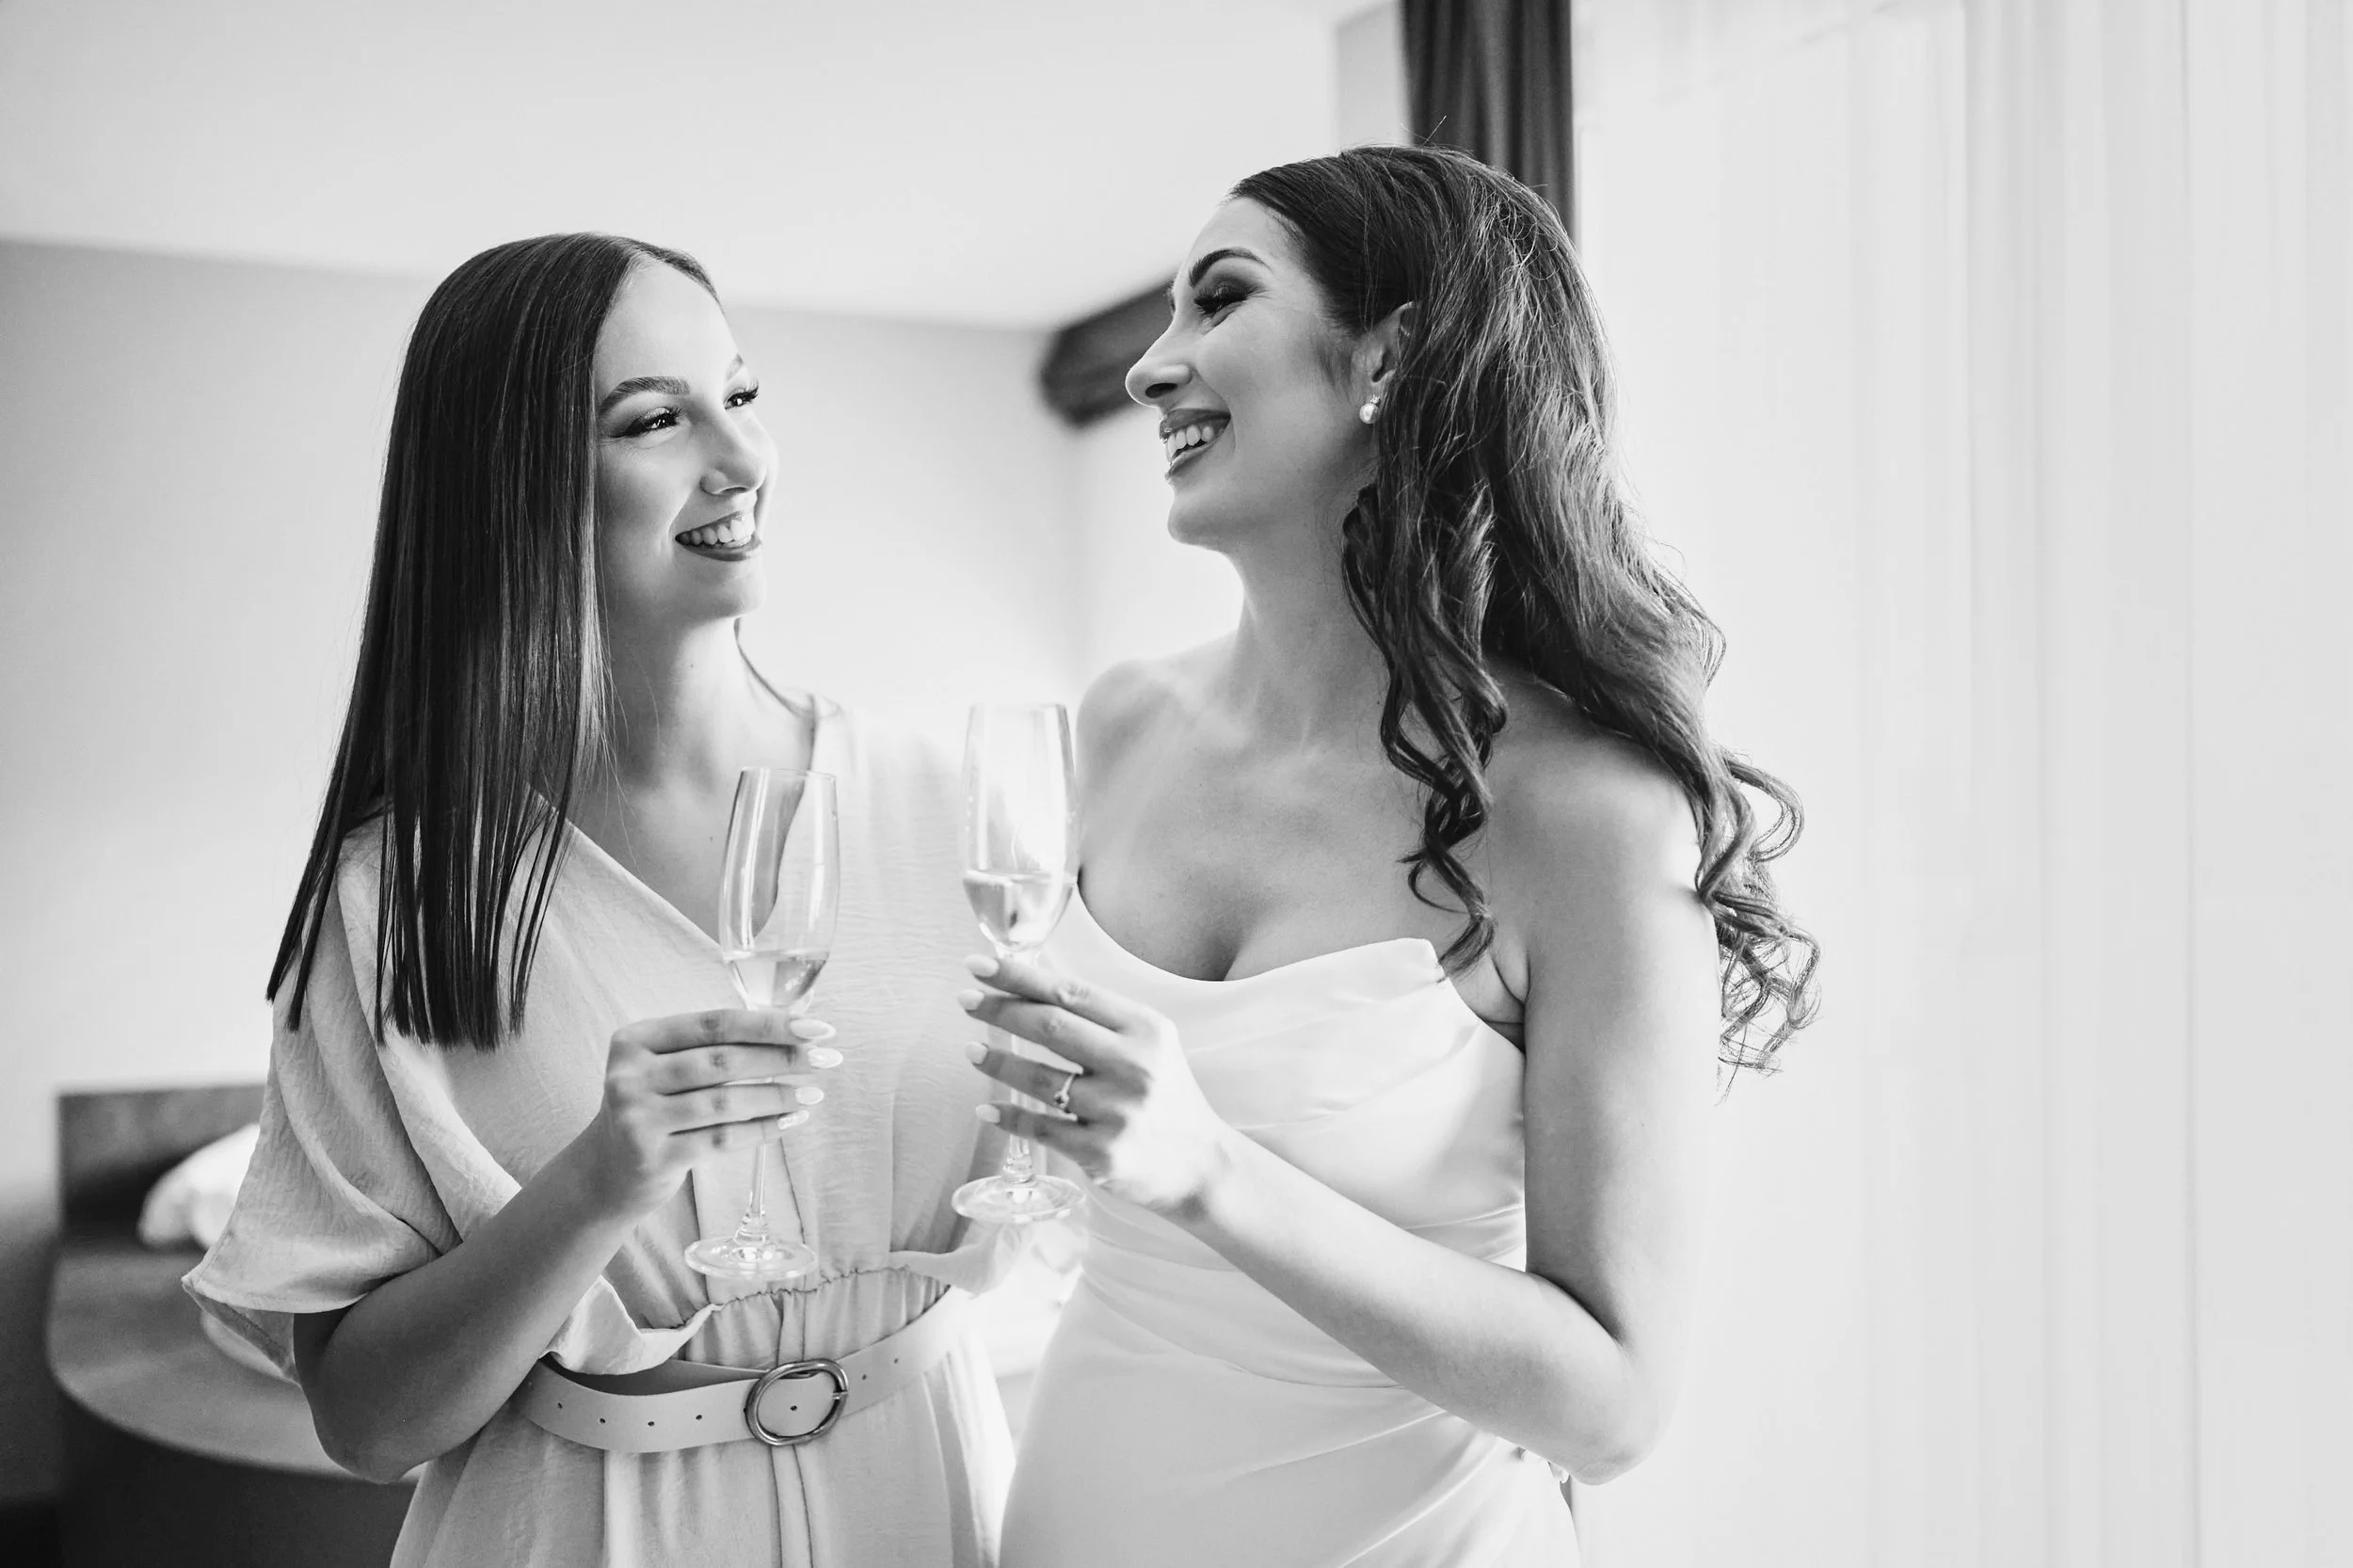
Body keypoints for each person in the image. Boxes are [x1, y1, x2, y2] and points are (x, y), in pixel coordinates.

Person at [968, 146, 1821, 1565]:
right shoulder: (1121, 724)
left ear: (1389, 357)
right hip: (1078, 1518)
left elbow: (1613, 1403)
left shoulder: (1591, 812)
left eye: (1218, 299)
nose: (1149, 369)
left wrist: (1208, 1168)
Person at [186, 233, 1016, 1567]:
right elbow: (368, 1424)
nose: (743, 459)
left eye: (740, 396)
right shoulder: (398, 899)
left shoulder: (951, 811)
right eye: (655, 420)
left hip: (926, 1504)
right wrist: (596, 1182)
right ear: (512, 490)